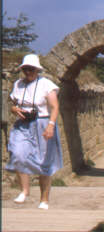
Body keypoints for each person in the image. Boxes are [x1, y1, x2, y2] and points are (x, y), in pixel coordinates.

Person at [5, 54, 63, 210]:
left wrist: (51, 125)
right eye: (25, 69)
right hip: (23, 125)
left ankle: (44, 199)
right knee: (17, 154)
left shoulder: (46, 85)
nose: (28, 72)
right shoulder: (18, 84)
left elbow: (54, 107)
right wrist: (14, 109)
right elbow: (12, 104)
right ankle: (24, 190)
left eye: (31, 69)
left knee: (43, 162)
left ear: (37, 70)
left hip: (42, 123)